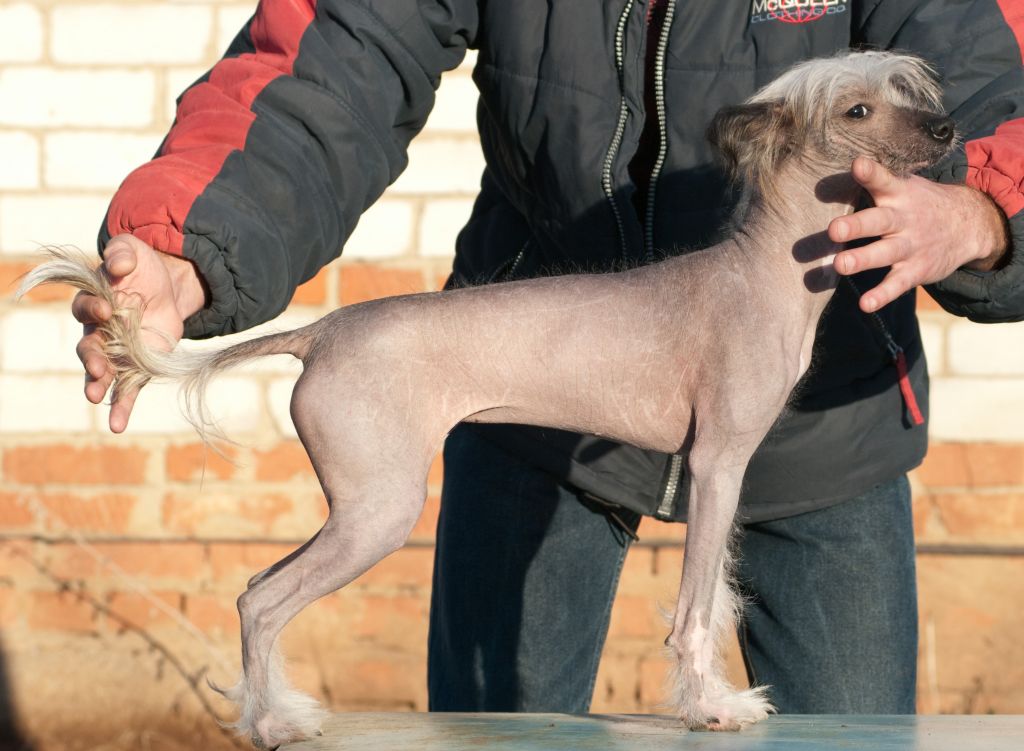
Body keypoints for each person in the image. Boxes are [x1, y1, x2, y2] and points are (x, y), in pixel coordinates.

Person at [74, 1, 1023, 715]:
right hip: (525, 410)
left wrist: (986, 210)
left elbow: (995, 83)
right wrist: (190, 243)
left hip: (830, 431)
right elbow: (334, 55)